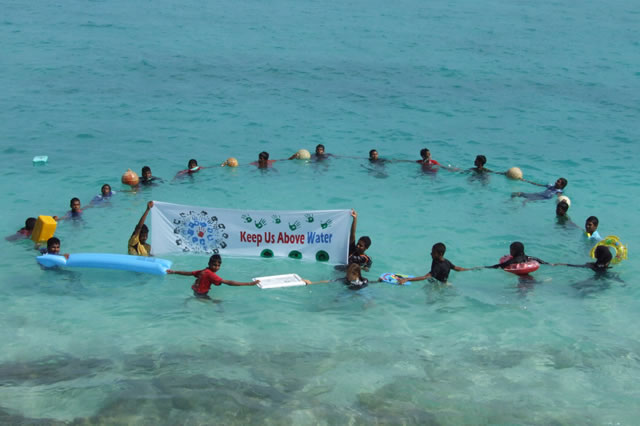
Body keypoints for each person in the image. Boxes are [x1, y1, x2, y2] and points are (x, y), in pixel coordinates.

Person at [167, 254, 259, 298]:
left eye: (219, 265)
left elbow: (189, 273)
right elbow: (229, 282)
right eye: (214, 265)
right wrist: (249, 283)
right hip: (201, 294)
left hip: (195, 290)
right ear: (209, 264)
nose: (216, 267)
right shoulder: (210, 274)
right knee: (217, 304)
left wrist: (174, 272)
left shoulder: (204, 270)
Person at [397, 242, 476, 284]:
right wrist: (471, 269)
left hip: (438, 285)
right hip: (444, 282)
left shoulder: (438, 266)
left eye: (433, 252)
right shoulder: (446, 262)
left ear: (440, 254)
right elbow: (458, 268)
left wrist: (407, 279)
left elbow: (425, 277)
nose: (431, 253)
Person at [485, 242, 549, 269]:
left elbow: (502, 265)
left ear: (514, 251)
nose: (510, 251)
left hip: (521, 273)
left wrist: (486, 267)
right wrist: (551, 264)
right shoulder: (528, 257)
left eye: (511, 250)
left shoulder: (515, 259)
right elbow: (540, 261)